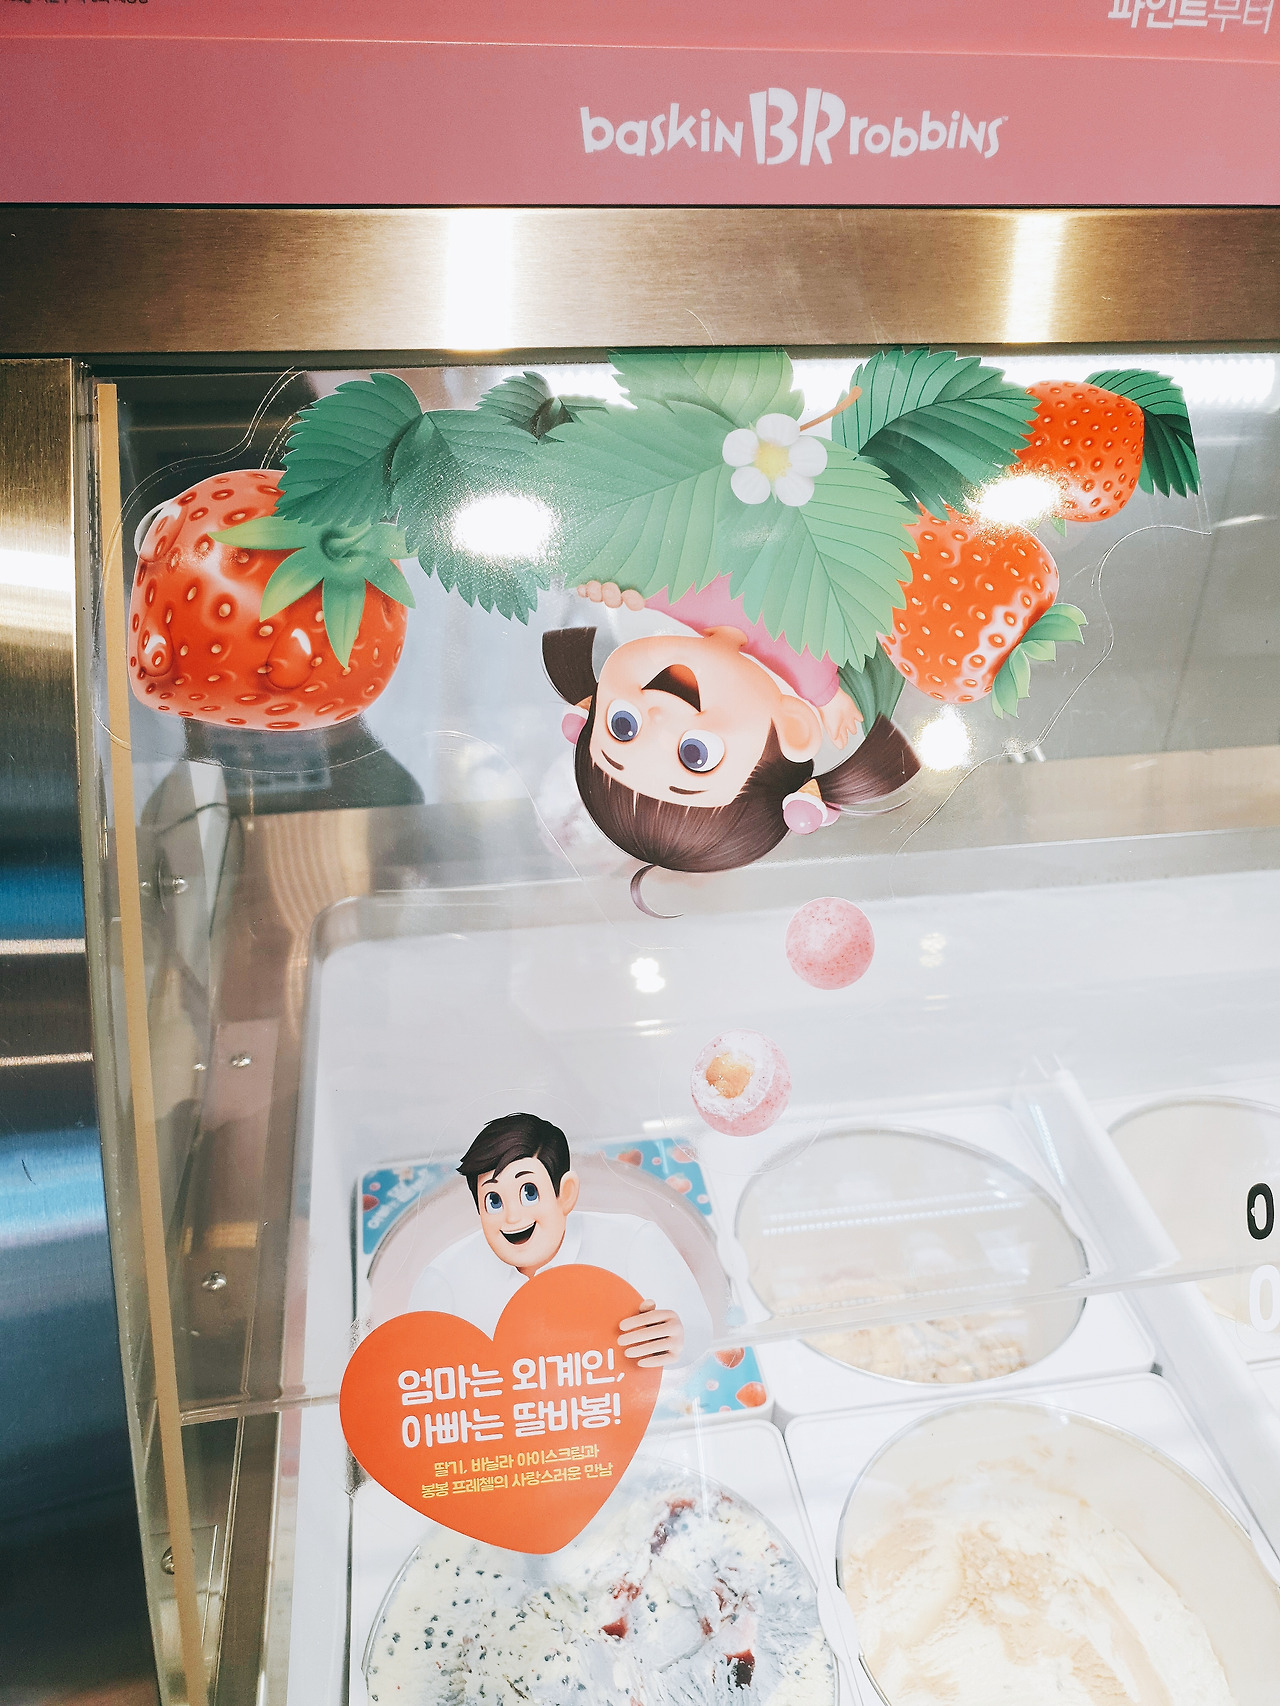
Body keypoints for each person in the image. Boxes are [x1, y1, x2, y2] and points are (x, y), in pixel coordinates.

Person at [542, 576, 917, 897]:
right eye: (694, 754)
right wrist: (826, 695)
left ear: (590, 706)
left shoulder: (652, 622)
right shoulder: (818, 671)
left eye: (624, 726)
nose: (659, 720)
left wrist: (617, 581)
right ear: (796, 728)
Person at [407, 1113, 712, 1370]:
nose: (512, 1217)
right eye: (494, 1201)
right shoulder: (444, 1280)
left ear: (565, 1193)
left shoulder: (635, 1242)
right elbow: (416, 1375)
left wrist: (676, 1339)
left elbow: (697, 1338)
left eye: (529, 1192)